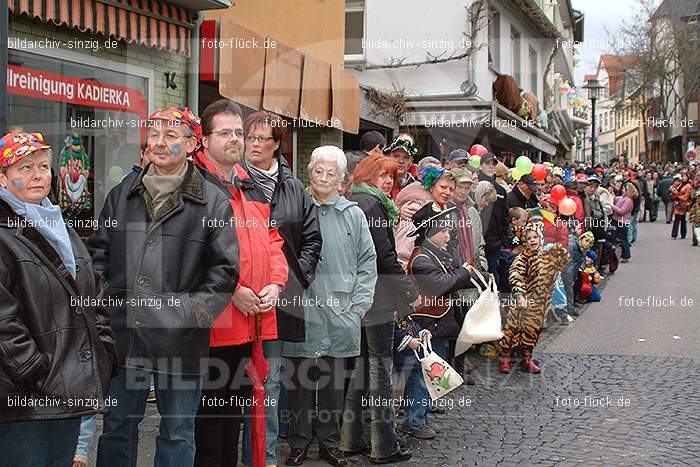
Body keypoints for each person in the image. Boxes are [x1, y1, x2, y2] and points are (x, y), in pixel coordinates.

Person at [90, 107, 239, 467]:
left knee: (177, 432)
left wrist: (186, 316)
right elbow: (98, 256)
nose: (159, 142)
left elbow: (224, 273)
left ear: (191, 144)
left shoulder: (213, 201)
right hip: (125, 339)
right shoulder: (121, 194)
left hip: (181, 341)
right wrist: (106, 311)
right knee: (117, 427)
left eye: (171, 136)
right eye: (154, 133)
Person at [0, 132, 118, 467]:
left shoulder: (58, 225)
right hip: (24, 400)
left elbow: (92, 294)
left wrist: (104, 349)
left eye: (43, 166)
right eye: (25, 167)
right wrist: (34, 370)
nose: (38, 174)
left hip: (67, 392)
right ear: (3, 178)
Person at [192, 100, 289, 467]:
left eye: (239, 133)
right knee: (207, 424)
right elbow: (188, 253)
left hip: (251, 324)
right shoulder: (195, 187)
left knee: (232, 420)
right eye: (225, 132)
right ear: (203, 139)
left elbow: (273, 242)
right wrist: (233, 291)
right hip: (212, 326)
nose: (235, 139)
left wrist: (276, 284)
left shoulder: (251, 187)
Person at [283, 146, 377, 467]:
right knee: (299, 385)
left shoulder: (353, 214)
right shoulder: (296, 208)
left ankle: (329, 442)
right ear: (310, 173)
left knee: (334, 387)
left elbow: (367, 262)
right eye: (318, 172)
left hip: (341, 315)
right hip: (304, 312)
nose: (323, 178)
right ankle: (298, 442)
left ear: (341, 179)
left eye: (330, 174)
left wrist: (358, 307)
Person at [239, 111, 322, 467]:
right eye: (249, 137)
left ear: (277, 144)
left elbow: (312, 240)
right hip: (237, 299)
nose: (253, 145)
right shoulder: (234, 180)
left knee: (268, 383)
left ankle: (265, 458)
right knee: (230, 384)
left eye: (262, 139)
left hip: (277, 299)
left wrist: (290, 279)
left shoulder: (294, 187)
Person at [340, 154, 419, 464]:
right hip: (376, 299)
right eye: (383, 175)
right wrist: (409, 291)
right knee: (380, 373)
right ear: (368, 174)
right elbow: (384, 258)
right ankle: (384, 446)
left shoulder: (355, 198)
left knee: (360, 369)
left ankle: (350, 439)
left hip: (357, 299)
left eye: (392, 177)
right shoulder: (372, 206)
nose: (389, 182)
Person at [403, 203, 485, 439]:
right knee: (422, 373)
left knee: (432, 371)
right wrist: (465, 273)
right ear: (429, 234)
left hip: (437, 322)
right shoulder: (421, 259)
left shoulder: (434, 254)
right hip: (427, 323)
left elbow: (455, 276)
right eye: (443, 231)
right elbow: (439, 285)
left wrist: (482, 278)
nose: (448, 236)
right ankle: (414, 421)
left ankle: (423, 412)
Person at [498, 218, 570, 374]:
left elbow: (564, 262)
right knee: (512, 330)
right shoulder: (522, 258)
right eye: (529, 238)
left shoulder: (547, 255)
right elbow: (515, 274)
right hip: (522, 302)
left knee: (532, 332)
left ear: (541, 238)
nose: (532, 240)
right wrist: (519, 294)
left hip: (539, 305)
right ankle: (505, 358)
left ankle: (527, 359)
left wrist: (559, 249)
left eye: (535, 237)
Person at [395, 166, 456, 269]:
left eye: (451, 189)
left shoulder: (441, 209)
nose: (448, 192)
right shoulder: (415, 211)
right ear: (431, 187)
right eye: (443, 187)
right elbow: (402, 254)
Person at [478, 153, 510, 282]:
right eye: (487, 164)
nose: (491, 167)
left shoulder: (501, 190)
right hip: (477, 239)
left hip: (494, 240)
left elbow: (505, 217)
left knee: (493, 274)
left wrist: (503, 238)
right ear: (481, 165)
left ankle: (494, 301)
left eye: (493, 164)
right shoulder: (475, 187)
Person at [610, 181, 637, 263]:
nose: (622, 190)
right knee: (615, 237)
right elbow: (615, 198)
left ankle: (626, 255)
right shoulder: (623, 197)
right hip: (616, 220)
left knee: (623, 239)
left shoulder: (628, 200)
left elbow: (622, 211)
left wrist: (611, 206)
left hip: (622, 221)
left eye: (624, 189)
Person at [670, 172, 694, 240]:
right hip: (678, 203)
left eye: (684, 176)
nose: (683, 178)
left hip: (683, 204)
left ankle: (681, 233)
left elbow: (686, 196)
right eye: (682, 176)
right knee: (678, 219)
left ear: (687, 178)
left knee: (681, 219)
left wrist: (678, 196)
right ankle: (676, 233)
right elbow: (676, 190)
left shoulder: (688, 186)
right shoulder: (681, 184)